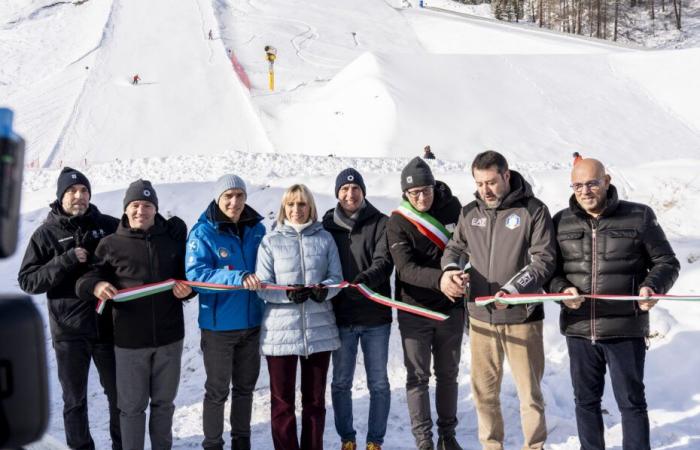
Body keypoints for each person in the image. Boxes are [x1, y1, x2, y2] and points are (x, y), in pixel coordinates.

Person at [549, 158, 679, 450]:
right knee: (585, 402)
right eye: (578, 185)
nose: (585, 191)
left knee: (631, 402)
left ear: (606, 180)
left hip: (625, 328)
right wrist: (562, 288)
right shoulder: (561, 221)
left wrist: (652, 286)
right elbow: (550, 272)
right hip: (580, 328)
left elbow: (667, 261)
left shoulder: (639, 216)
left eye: (592, 183)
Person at [441, 150, 556, 450]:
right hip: (480, 318)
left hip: (522, 317)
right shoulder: (469, 213)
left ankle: (534, 446)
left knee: (529, 394)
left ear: (506, 175)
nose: (485, 190)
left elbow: (544, 260)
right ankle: (492, 446)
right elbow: (454, 250)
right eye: (479, 184)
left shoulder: (533, 210)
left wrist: (515, 290)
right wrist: (451, 272)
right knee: (484, 394)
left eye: (491, 182)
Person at [76, 179, 194, 450]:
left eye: (148, 205)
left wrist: (187, 291)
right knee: (131, 409)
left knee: (164, 405)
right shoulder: (111, 244)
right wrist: (96, 285)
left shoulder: (172, 241)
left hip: (169, 339)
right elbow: (85, 280)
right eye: (135, 205)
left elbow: (189, 280)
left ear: (156, 209)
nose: (141, 210)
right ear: (126, 209)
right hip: (129, 343)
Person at [18, 167, 121, 450]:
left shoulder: (108, 225)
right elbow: (28, 280)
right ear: (61, 196)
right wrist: (64, 260)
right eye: (73, 191)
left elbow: (138, 232)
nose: (79, 196)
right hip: (69, 330)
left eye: (84, 191)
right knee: (75, 400)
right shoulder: (46, 234)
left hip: (107, 327)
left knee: (119, 397)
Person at [255, 184, 343, 450]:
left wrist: (323, 291)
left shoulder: (325, 239)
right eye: (291, 204)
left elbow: (337, 279)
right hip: (281, 332)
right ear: (284, 207)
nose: (296, 210)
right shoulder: (271, 241)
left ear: (310, 207)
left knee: (315, 401)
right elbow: (263, 286)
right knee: (282, 402)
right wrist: (286, 295)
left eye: (302, 204)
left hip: (318, 331)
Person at [386, 157, 463, 450]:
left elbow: (466, 248)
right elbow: (405, 269)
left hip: (451, 308)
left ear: (434, 186)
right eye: (414, 193)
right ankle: (423, 440)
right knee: (418, 378)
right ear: (405, 194)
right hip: (414, 309)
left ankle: (448, 434)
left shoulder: (454, 208)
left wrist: (460, 276)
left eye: (425, 190)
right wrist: (442, 279)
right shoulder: (398, 221)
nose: (421, 197)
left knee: (448, 374)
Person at [185, 174, 266, 450]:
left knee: (245, 390)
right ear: (218, 198)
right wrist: (238, 277)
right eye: (228, 196)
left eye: (240, 196)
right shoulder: (203, 232)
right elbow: (197, 276)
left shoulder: (257, 229)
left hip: (252, 323)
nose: (234, 202)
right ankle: (213, 444)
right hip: (219, 328)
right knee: (217, 391)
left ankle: (241, 442)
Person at [322, 169, 394, 450]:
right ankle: (347, 438)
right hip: (340, 316)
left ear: (363, 191)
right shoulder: (327, 225)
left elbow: (384, 261)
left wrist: (363, 280)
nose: (350, 194)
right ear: (337, 193)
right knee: (341, 382)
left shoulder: (380, 222)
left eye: (355, 189)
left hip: (375, 316)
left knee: (378, 383)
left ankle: (375, 440)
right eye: (344, 190)